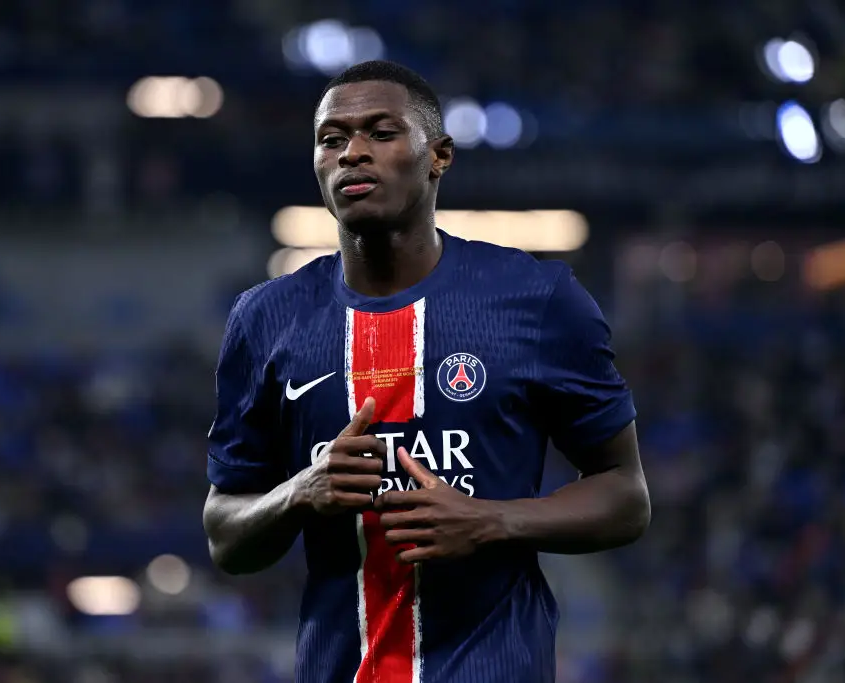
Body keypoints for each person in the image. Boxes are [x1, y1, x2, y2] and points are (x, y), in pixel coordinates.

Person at [202, 60, 650, 683]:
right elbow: (226, 535)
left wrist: (493, 520)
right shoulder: (265, 318)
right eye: (332, 140)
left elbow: (626, 497)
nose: (353, 153)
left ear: (438, 155)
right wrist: (299, 492)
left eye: (381, 133)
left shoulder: (537, 299)